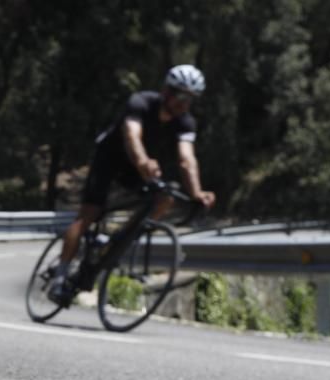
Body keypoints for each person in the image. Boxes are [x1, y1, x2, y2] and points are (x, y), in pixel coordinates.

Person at [49, 64, 216, 303]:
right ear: (166, 91)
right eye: (180, 95)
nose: (184, 103)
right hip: (109, 158)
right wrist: (143, 162)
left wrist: (198, 192)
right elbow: (132, 137)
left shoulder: (185, 122)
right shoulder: (141, 102)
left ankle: (123, 238)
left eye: (190, 99)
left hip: (137, 168)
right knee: (89, 214)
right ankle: (61, 275)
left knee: (164, 198)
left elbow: (187, 159)